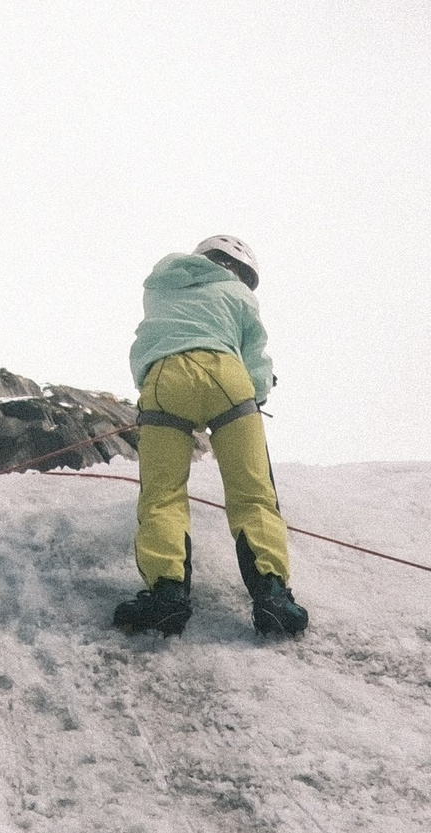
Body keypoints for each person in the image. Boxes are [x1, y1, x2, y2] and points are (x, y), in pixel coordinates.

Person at [113, 233, 310, 639]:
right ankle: (272, 597)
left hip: (165, 376)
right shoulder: (240, 296)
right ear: (243, 271)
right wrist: (259, 389)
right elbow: (254, 355)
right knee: (252, 493)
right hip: (227, 376)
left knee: (162, 494)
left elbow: (148, 338)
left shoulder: (162, 284)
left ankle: (166, 593)